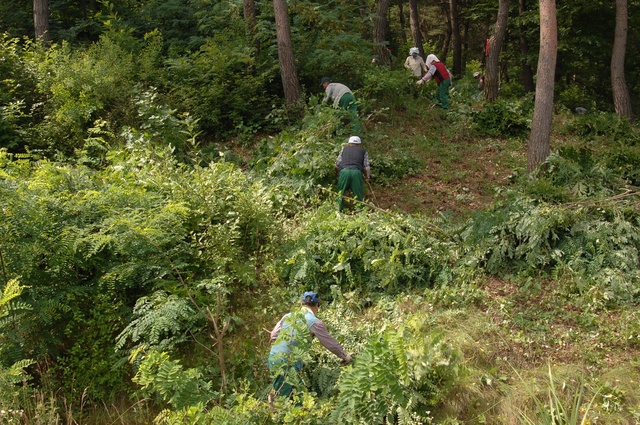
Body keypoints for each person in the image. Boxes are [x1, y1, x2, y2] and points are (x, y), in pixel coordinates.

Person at [267, 291, 352, 398]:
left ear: (302, 304)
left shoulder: (287, 316)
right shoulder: (314, 322)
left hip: (273, 358)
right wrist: (345, 356)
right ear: (317, 306)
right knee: (293, 401)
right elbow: (330, 343)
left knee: (292, 395)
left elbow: (273, 335)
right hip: (285, 364)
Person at [335, 135, 371, 212]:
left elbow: (337, 164)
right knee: (358, 193)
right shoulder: (363, 151)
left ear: (349, 143)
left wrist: (338, 174)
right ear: (359, 144)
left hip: (344, 171)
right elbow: (367, 167)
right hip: (357, 172)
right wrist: (367, 177)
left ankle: (339, 210)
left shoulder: (344, 150)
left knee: (340, 192)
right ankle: (360, 211)